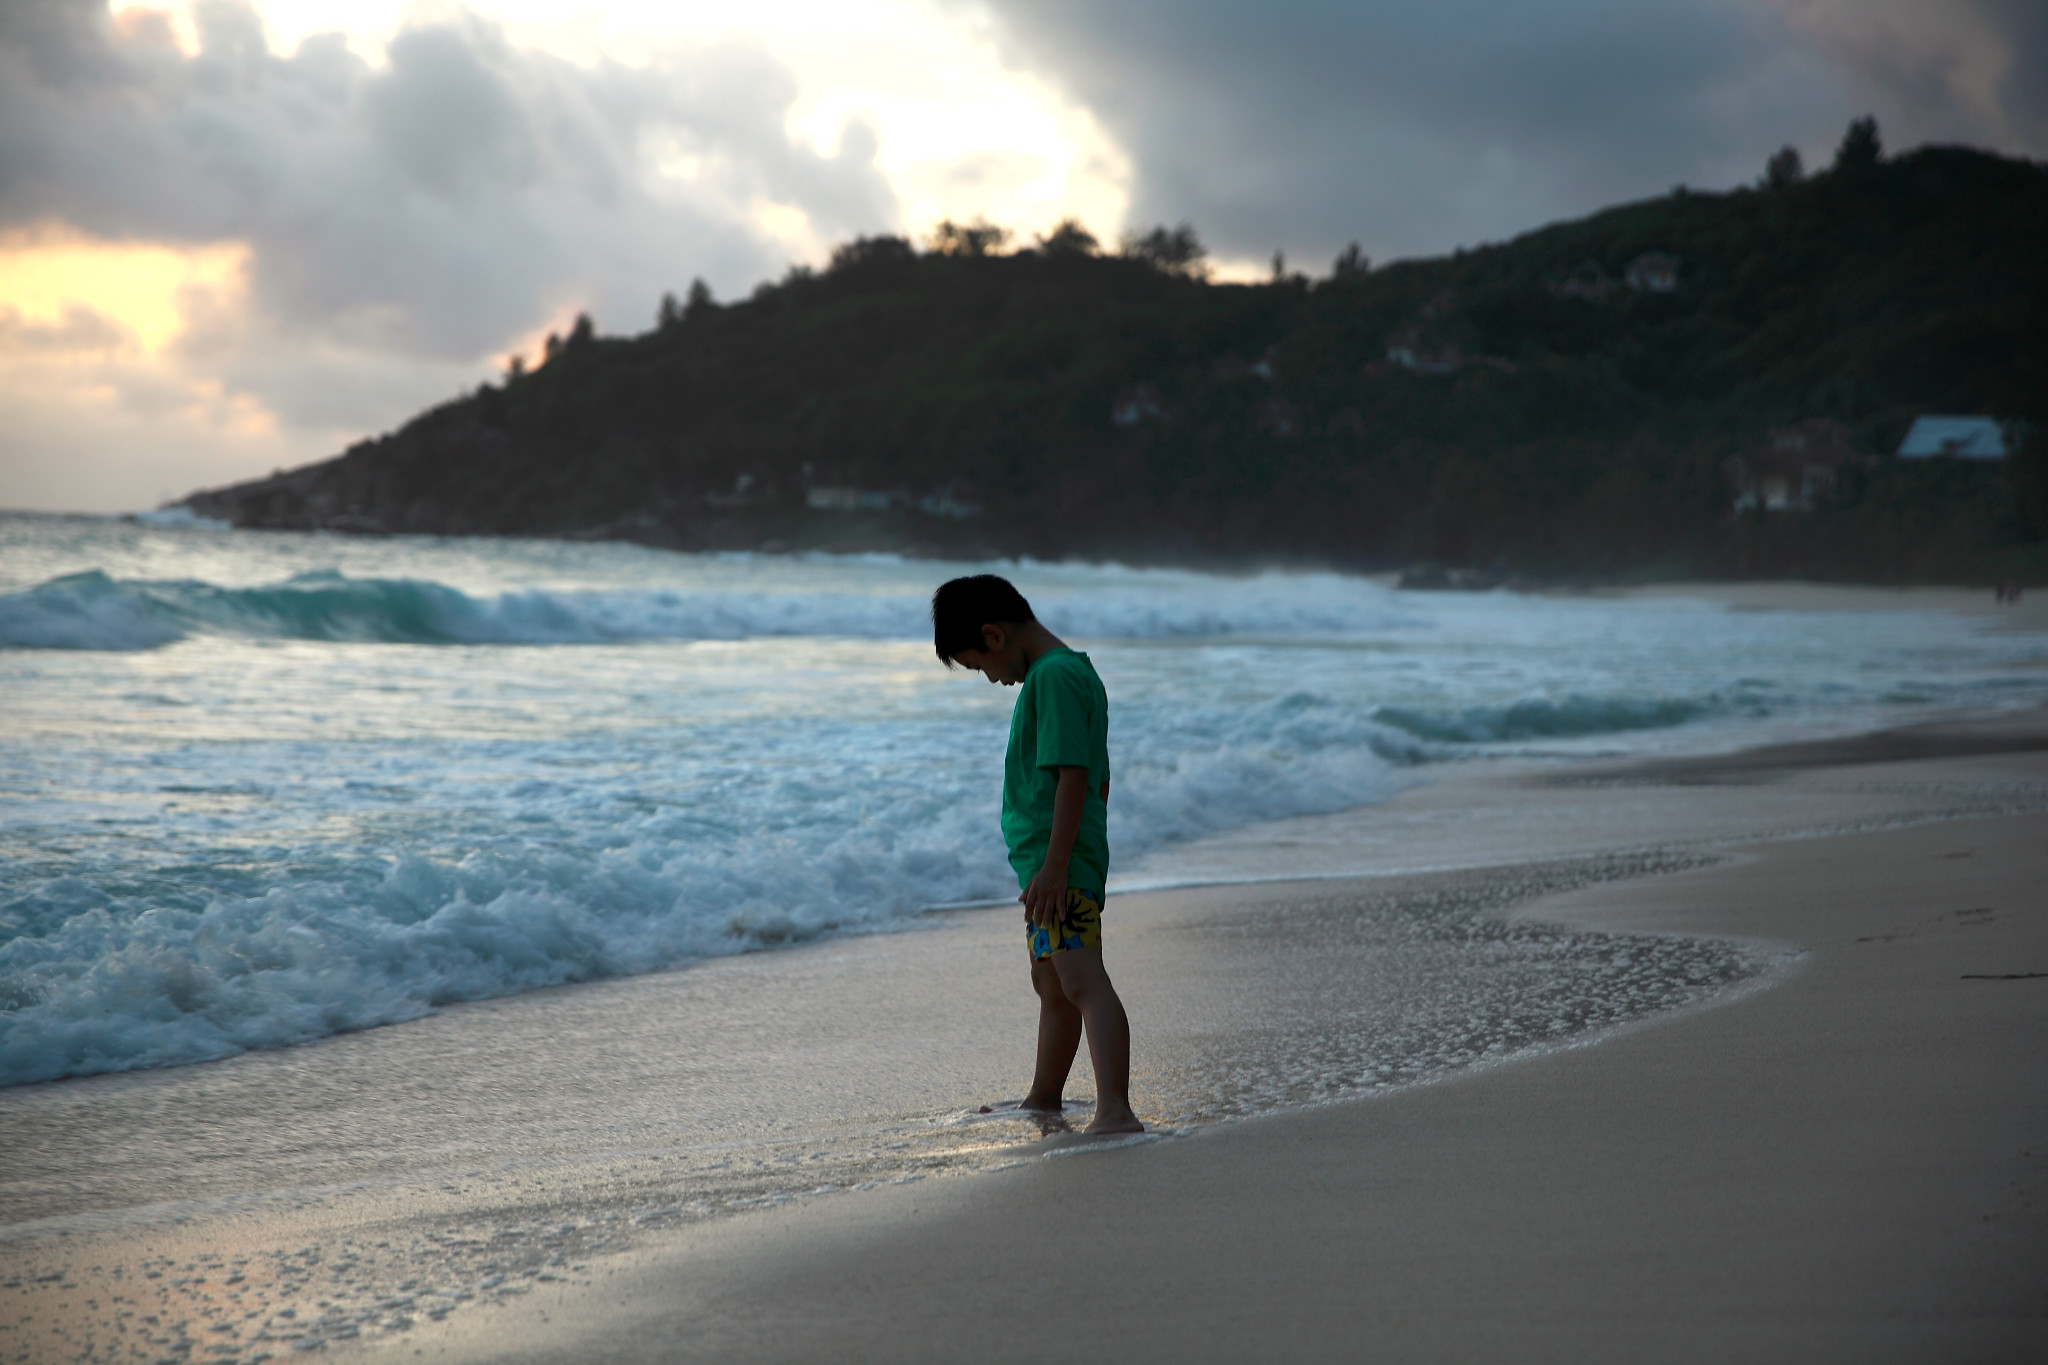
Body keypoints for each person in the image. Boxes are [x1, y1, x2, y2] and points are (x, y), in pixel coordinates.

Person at [932, 574, 1143, 1135]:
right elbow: (1099, 778)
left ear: (994, 636)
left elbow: (1073, 775)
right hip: (1052, 864)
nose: (992, 679)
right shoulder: (1069, 674)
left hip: (1059, 866)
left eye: (979, 666)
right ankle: (1044, 1096)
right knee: (1052, 985)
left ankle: (1116, 1110)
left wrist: (1056, 866)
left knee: (1082, 982)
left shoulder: (1053, 678)